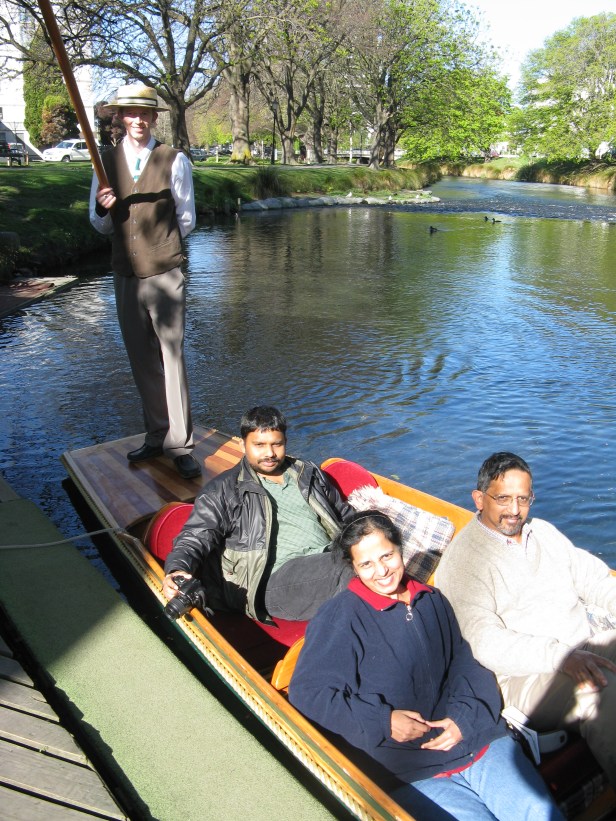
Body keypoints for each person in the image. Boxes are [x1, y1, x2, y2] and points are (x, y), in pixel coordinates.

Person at [288, 511, 563, 821]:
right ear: (353, 567)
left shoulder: (431, 600)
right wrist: (384, 721)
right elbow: (308, 693)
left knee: (539, 812)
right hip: (406, 768)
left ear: (399, 548)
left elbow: (465, 662)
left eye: (387, 556)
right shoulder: (341, 617)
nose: (381, 571)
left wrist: (462, 719)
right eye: (366, 564)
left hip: (474, 739)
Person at [435, 452, 616, 788]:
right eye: (503, 498)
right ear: (479, 499)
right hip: (525, 674)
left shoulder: (542, 533)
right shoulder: (463, 562)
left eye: (523, 498)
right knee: (602, 694)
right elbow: (483, 640)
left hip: (581, 644)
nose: (515, 510)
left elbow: (595, 580)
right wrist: (559, 656)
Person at [89, 84, 200, 480]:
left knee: (172, 358)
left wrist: (161, 248)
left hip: (166, 274)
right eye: (130, 113)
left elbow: (187, 219)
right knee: (141, 360)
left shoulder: (174, 160)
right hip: (125, 275)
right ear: (120, 117)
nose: (137, 119)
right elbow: (99, 225)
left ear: (154, 118)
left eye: (144, 113)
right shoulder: (104, 162)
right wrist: (105, 209)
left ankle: (180, 445)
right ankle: (156, 434)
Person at [162, 405, 355, 621]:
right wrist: (176, 569)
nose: (270, 453)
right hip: (271, 582)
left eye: (277, 444)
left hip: (329, 556)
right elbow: (194, 537)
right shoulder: (223, 490)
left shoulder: (307, 472)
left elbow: (345, 516)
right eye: (259, 445)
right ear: (243, 444)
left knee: (375, 555)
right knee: (358, 567)